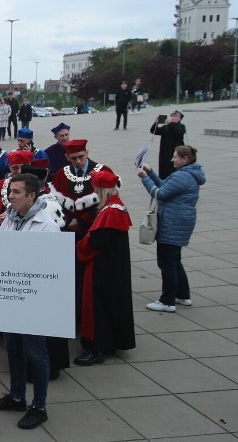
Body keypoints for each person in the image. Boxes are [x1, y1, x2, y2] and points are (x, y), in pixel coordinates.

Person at [0, 173, 60, 430]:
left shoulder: (48, 227)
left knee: (36, 352)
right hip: (11, 295)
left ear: (32, 195)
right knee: (13, 347)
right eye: (10, 191)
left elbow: (52, 267)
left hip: (34, 301)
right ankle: (17, 396)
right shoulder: (9, 220)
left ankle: (39, 406)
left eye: (16, 192)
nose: (10, 196)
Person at [74, 170, 135, 365]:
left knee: (96, 307)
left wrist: (80, 247)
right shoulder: (116, 207)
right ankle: (110, 341)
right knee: (111, 304)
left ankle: (95, 347)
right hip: (112, 268)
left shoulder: (111, 211)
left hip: (102, 269)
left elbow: (95, 242)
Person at [138, 146, 205, 312]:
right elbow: (164, 185)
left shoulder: (183, 176)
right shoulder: (187, 174)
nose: (172, 159)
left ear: (185, 159)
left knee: (167, 263)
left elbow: (160, 193)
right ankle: (183, 295)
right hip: (179, 222)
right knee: (174, 260)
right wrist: (150, 171)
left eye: (175, 157)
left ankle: (167, 301)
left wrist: (144, 178)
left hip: (173, 223)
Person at [150, 111, 186, 179]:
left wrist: (169, 123)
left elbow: (177, 132)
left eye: (176, 116)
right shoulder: (165, 127)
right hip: (165, 153)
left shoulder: (181, 126)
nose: (173, 117)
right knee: (164, 171)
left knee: (175, 170)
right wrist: (156, 123)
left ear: (179, 119)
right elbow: (153, 131)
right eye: (172, 116)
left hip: (176, 153)